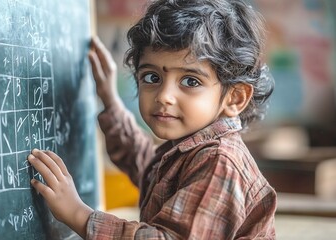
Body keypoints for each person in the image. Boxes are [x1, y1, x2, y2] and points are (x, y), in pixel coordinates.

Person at [27, 0, 277, 238]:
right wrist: (110, 100)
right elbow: (146, 167)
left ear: (234, 98)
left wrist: (79, 215)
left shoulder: (220, 162)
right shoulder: (192, 148)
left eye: (190, 81)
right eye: (152, 78)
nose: (164, 96)